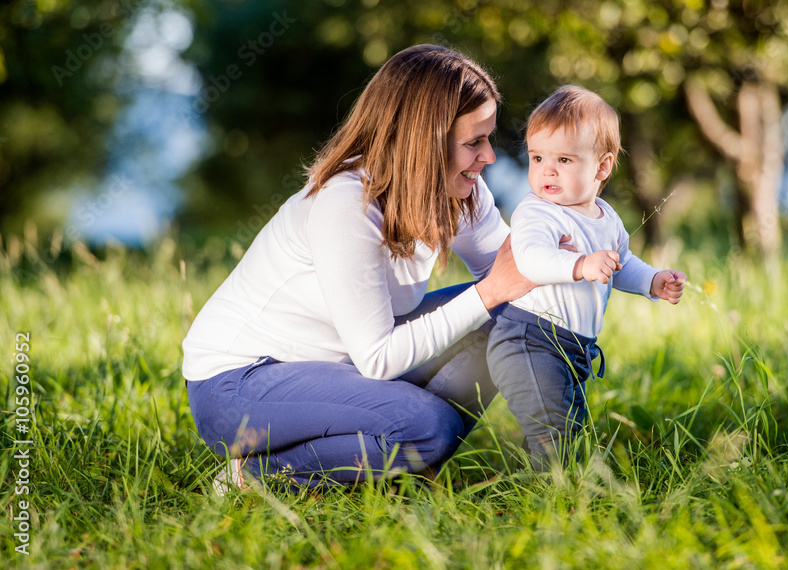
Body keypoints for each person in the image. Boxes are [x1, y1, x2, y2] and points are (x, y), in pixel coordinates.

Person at [183, 45, 566, 492]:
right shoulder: (346, 203)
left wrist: (583, 258)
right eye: (473, 142)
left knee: (509, 316)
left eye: (488, 138)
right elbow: (379, 358)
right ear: (425, 142)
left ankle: (399, 454)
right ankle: (253, 475)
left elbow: (519, 274)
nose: (489, 157)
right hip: (239, 385)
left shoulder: (462, 191)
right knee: (428, 426)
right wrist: (489, 293)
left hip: (339, 369)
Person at [486, 85, 686, 468]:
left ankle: (552, 489)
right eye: (537, 156)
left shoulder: (605, 217)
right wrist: (579, 265)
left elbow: (620, 262)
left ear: (602, 166)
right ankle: (556, 498)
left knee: (568, 426)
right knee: (554, 432)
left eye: (563, 159)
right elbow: (529, 260)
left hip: (573, 348)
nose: (546, 169)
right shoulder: (537, 212)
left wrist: (652, 281)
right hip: (529, 339)